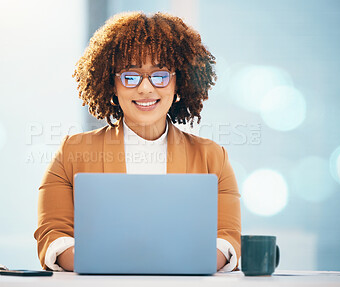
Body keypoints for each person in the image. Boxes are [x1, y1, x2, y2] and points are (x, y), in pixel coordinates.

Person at [34, 11, 241, 272]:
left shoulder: (213, 158)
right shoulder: (72, 153)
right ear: (112, 84)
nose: (145, 88)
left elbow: (227, 238)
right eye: (130, 76)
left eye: (160, 75)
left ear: (179, 83)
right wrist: (112, 264)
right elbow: (53, 235)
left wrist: (176, 264)